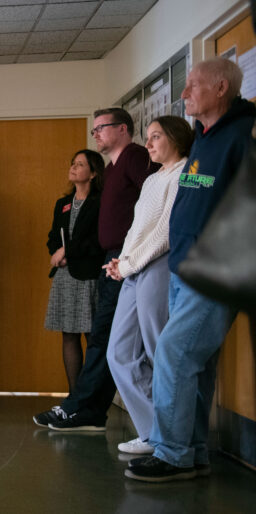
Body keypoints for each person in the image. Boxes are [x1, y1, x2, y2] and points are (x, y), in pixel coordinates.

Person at [126, 58, 255, 482]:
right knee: (195, 364)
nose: (184, 93)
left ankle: (170, 452)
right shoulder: (203, 135)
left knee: (173, 353)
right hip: (184, 267)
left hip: (218, 269)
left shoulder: (244, 133)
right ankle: (192, 450)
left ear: (221, 88)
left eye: (193, 86)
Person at [36, 107, 159, 431]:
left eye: (101, 128)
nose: (96, 134)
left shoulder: (133, 156)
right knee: (111, 342)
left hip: (126, 259)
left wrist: (134, 249)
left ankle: (80, 407)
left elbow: (159, 197)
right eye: (95, 129)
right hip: (116, 259)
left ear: (121, 129)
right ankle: (89, 409)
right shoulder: (115, 168)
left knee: (104, 337)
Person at [104, 116, 192, 456]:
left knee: (160, 354)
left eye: (157, 137)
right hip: (133, 267)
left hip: (157, 267)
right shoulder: (153, 178)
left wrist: (129, 263)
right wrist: (121, 261)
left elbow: (166, 232)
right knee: (119, 353)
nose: (149, 143)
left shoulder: (184, 172)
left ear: (176, 139)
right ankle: (153, 431)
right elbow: (137, 229)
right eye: (149, 136)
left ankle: (170, 437)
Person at [43, 149, 105, 395]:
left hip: (89, 275)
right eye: (73, 163)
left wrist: (66, 251)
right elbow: (52, 237)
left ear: (93, 173)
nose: (74, 168)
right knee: (68, 334)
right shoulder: (63, 203)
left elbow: (97, 240)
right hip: (65, 276)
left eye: (80, 164)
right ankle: (74, 395)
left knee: (92, 336)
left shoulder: (100, 202)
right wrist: (56, 251)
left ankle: (92, 395)